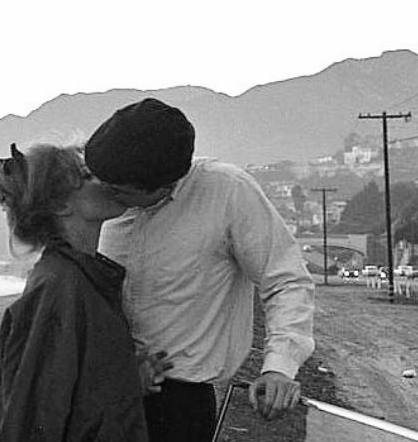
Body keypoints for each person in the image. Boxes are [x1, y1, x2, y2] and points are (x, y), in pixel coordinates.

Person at [85, 98, 315, 442]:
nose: (106, 194)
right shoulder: (103, 188)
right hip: (108, 389)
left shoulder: (227, 192)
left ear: (163, 186)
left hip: (181, 404)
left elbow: (285, 280)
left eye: (120, 191)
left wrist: (279, 367)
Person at [0, 142, 149, 442]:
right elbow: (32, 420)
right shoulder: (59, 288)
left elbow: (74, 396)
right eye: (87, 176)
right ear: (60, 206)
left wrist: (127, 380)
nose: (105, 180)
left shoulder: (82, 278)